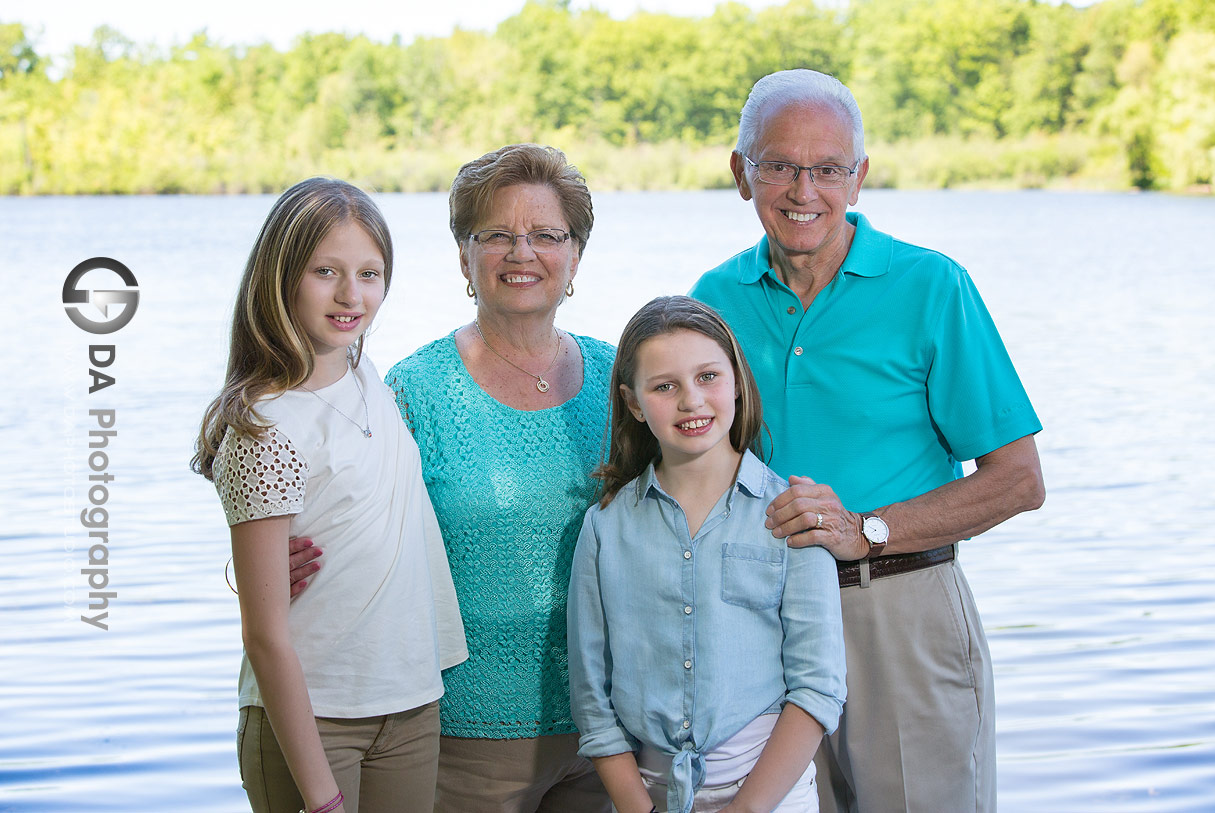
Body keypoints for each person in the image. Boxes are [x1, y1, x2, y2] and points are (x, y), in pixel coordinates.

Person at [690, 70, 1045, 813]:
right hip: (757, 621)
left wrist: (867, 529)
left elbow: (1018, 479)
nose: (803, 190)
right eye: (780, 165)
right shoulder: (711, 301)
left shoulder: (931, 286)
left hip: (899, 608)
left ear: (860, 178)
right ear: (739, 172)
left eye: (827, 169)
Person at [293, 144, 615, 811]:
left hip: (609, 731)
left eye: (546, 235)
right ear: (463, 257)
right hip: (463, 734)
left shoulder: (627, 380)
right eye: (495, 234)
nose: (521, 252)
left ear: (575, 255)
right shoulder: (412, 390)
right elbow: (318, 512)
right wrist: (268, 566)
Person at [192, 177, 466, 813]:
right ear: (281, 277)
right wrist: (320, 798)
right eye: (326, 272)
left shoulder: (367, 374)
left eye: (370, 273)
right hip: (313, 720)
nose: (352, 295)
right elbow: (264, 637)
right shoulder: (265, 426)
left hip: (409, 705)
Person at [568, 295, 847, 813]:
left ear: (737, 382)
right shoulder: (605, 528)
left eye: (708, 377)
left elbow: (817, 688)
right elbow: (592, 697)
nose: (691, 402)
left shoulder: (792, 515)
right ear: (633, 403)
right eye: (665, 386)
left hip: (770, 795)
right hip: (649, 795)